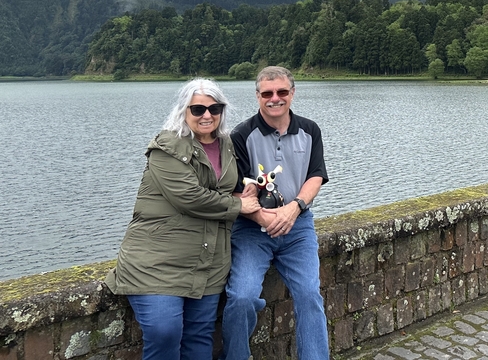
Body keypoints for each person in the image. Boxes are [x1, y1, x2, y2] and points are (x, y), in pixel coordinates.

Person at [106, 78, 260, 360]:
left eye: (214, 108)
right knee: (164, 332)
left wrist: (246, 191)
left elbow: (225, 187)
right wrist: (240, 206)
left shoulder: (227, 144)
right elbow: (190, 198)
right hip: (158, 262)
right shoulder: (167, 147)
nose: (207, 115)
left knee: (199, 336)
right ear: (183, 110)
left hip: (208, 262)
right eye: (198, 109)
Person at [221, 66, 331, 360]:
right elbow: (235, 191)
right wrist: (264, 218)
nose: (275, 98)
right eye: (267, 93)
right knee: (242, 297)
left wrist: (295, 208)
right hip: (252, 230)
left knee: (309, 295)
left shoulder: (310, 130)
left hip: (298, 227)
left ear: (292, 93)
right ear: (257, 96)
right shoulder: (240, 135)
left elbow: (316, 175)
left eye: (282, 91)